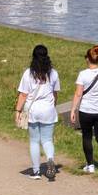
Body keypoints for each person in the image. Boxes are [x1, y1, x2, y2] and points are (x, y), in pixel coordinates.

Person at [15, 44, 59, 180]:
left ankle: (36, 171)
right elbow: (55, 94)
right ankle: (50, 159)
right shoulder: (53, 73)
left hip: (33, 111)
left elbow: (23, 95)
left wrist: (18, 111)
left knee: (34, 141)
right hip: (48, 110)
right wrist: (53, 106)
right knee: (47, 140)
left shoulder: (28, 73)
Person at [69, 45, 98, 175]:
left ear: (87, 59)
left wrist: (73, 110)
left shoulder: (83, 74)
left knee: (87, 137)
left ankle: (90, 165)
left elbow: (78, 94)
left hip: (86, 111)